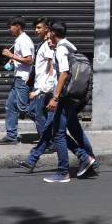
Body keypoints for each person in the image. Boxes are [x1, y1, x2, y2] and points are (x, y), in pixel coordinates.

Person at [17, 20, 97, 183]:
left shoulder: (61, 49)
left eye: (48, 32)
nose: (47, 35)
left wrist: (54, 97)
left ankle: (64, 171)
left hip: (63, 97)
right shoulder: (69, 46)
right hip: (70, 96)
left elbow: (63, 74)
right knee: (70, 130)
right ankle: (87, 158)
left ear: (53, 33)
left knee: (58, 134)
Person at [0, 16, 35, 145]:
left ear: (18, 26)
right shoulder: (19, 40)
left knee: (26, 109)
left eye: (10, 26)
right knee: (10, 106)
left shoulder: (23, 41)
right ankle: (11, 136)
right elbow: (23, 59)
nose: (9, 29)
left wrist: (11, 55)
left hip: (22, 79)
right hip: (18, 78)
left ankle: (51, 133)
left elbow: (29, 60)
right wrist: (13, 60)